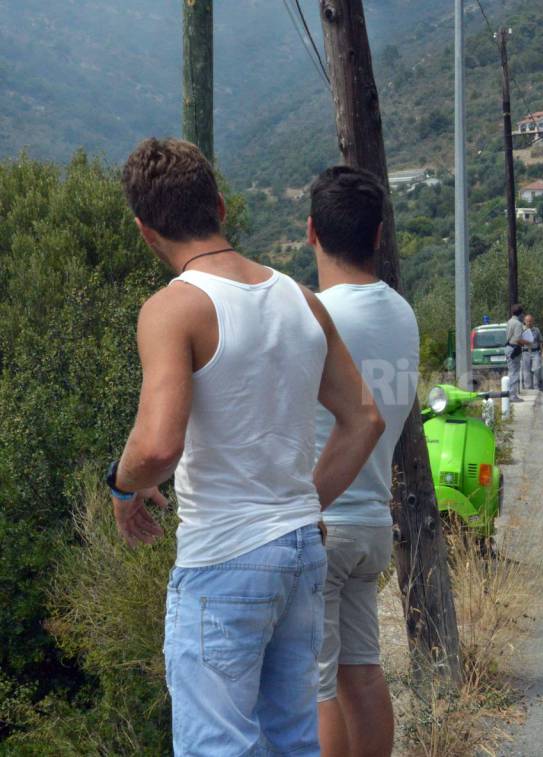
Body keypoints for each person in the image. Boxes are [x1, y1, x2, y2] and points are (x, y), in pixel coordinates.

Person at [108, 138, 384, 756]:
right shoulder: (300, 299)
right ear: (222, 207)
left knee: (218, 746)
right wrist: (297, 504)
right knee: (292, 741)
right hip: (298, 552)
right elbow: (364, 418)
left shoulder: (173, 309)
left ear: (145, 230)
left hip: (225, 557)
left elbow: (155, 446)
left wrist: (123, 486)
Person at [307, 166, 418, 757]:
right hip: (373, 518)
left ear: (310, 232)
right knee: (364, 672)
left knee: (316, 686)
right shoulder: (403, 315)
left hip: (322, 520)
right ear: (377, 236)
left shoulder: (316, 317)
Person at [505, 303, 528, 402]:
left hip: (508, 347)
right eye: (522, 313)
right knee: (514, 373)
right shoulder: (518, 323)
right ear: (520, 313)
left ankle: (510, 394)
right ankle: (512, 396)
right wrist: (527, 342)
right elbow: (518, 339)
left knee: (511, 372)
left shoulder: (509, 321)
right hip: (515, 349)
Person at [522, 314, 543, 391]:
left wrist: (542, 352)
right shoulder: (522, 330)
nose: (529, 323)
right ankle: (528, 387)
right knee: (526, 370)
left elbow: (541, 341)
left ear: (533, 321)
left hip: (535, 352)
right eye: (527, 321)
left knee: (536, 369)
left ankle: (536, 386)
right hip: (525, 352)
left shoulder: (536, 330)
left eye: (531, 321)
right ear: (524, 321)